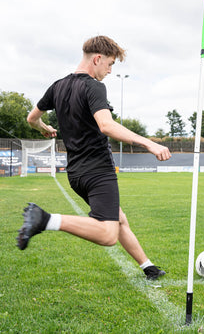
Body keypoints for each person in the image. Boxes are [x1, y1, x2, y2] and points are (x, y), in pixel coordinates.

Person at [17, 35, 171, 280]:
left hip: (76, 174)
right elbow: (106, 126)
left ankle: (148, 267)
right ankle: (46, 219)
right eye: (110, 64)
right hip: (98, 170)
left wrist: (44, 128)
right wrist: (148, 143)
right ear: (97, 58)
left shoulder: (58, 86)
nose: (110, 71)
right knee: (108, 234)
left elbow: (31, 118)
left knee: (119, 219)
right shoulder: (94, 86)